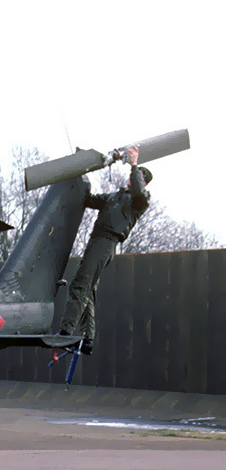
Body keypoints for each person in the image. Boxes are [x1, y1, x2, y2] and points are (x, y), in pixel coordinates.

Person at [58, 147, 152, 354]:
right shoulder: (114, 197)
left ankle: (65, 332)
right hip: (96, 241)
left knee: (79, 286)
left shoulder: (140, 201)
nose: (131, 180)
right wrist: (78, 173)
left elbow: (137, 189)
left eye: (137, 178)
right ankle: (88, 339)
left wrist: (134, 165)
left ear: (143, 183)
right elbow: (89, 199)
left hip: (106, 243)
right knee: (88, 291)